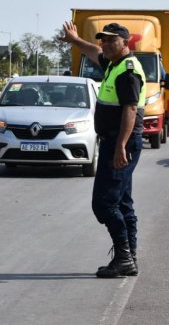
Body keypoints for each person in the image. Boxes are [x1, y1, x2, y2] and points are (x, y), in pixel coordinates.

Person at [61, 21, 146, 278]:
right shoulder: (113, 63)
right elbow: (91, 51)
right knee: (123, 203)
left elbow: (131, 110)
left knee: (104, 203)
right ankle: (129, 257)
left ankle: (124, 257)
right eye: (103, 40)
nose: (105, 44)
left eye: (112, 40)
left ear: (125, 42)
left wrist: (120, 147)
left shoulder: (127, 72)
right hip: (115, 142)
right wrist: (74, 39)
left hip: (121, 143)